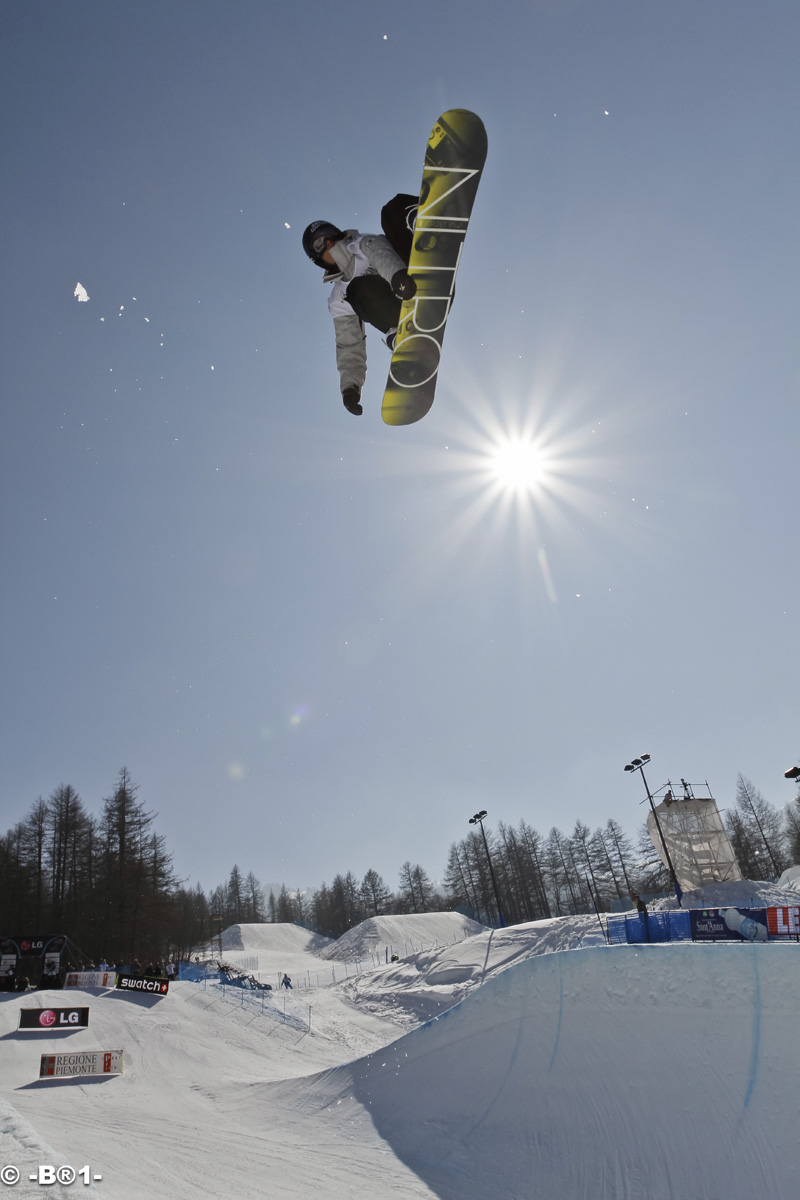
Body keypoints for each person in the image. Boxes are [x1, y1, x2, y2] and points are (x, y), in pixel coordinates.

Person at [302, 195, 418, 416]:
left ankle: (423, 223)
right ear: (316, 258)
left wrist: (397, 277)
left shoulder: (361, 244)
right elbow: (349, 346)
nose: (327, 243)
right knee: (356, 290)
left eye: (328, 236)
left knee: (390, 210)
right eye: (319, 244)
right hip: (402, 311)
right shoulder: (339, 298)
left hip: (411, 275)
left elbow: (380, 254)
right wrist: (350, 388)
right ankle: (401, 333)